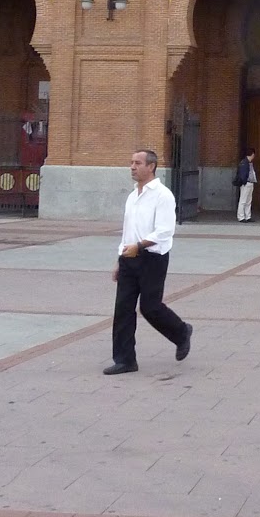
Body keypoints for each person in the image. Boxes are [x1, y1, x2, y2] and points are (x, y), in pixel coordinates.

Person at [104, 148, 193, 376]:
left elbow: (164, 231)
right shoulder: (132, 196)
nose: (132, 167)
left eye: (138, 163)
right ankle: (125, 360)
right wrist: (120, 258)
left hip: (152, 258)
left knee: (150, 307)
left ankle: (181, 332)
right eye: (131, 162)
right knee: (123, 309)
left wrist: (139, 246)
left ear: (151, 166)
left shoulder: (163, 195)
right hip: (129, 258)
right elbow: (128, 232)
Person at [234, 148, 257, 222]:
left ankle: (247, 216)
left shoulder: (247, 162)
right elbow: (243, 174)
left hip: (250, 182)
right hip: (246, 183)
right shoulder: (245, 163)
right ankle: (241, 217)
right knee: (243, 200)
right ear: (252, 154)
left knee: (248, 201)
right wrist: (244, 182)